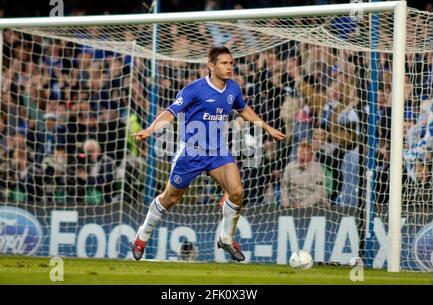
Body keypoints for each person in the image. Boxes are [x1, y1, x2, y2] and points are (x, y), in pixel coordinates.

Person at [131, 46, 286, 261]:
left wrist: (267, 128)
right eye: (224, 63)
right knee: (170, 198)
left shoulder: (233, 89)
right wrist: (150, 129)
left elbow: (243, 109)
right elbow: (170, 112)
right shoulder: (194, 89)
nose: (229, 67)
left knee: (237, 191)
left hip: (218, 152)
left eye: (231, 63)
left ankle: (226, 239)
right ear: (211, 66)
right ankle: (142, 235)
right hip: (191, 152)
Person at [281, 139, 328, 209]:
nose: (301, 156)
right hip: (294, 206)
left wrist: (302, 205)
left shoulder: (318, 169)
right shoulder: (290, 166)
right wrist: (286, 203)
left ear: (311, 156)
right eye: (300, 153)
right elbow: (284, 186)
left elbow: (319, 193)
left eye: (305, 154)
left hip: (315, 206)